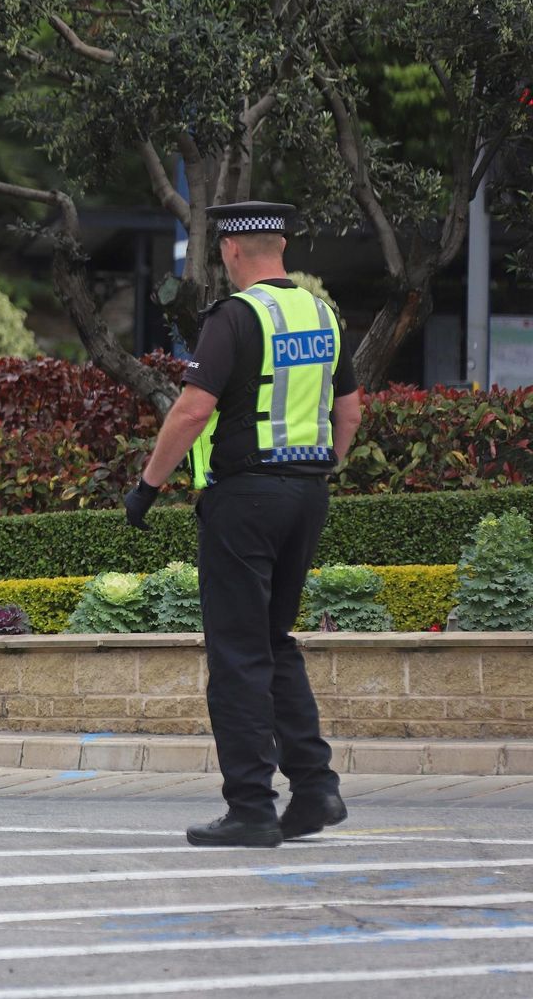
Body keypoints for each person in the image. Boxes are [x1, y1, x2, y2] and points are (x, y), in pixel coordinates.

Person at [123, 201, 362, 849]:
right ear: (279, 245)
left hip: (243, 500)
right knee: (273, 639)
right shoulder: (324, 315)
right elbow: (350, 412)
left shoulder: (235, 317)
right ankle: (314, 789)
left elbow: (191, 412)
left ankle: (252, 805)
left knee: (236, 653)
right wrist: (319, 471)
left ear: (232, 252)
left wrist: (147, 487)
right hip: (308, 494)